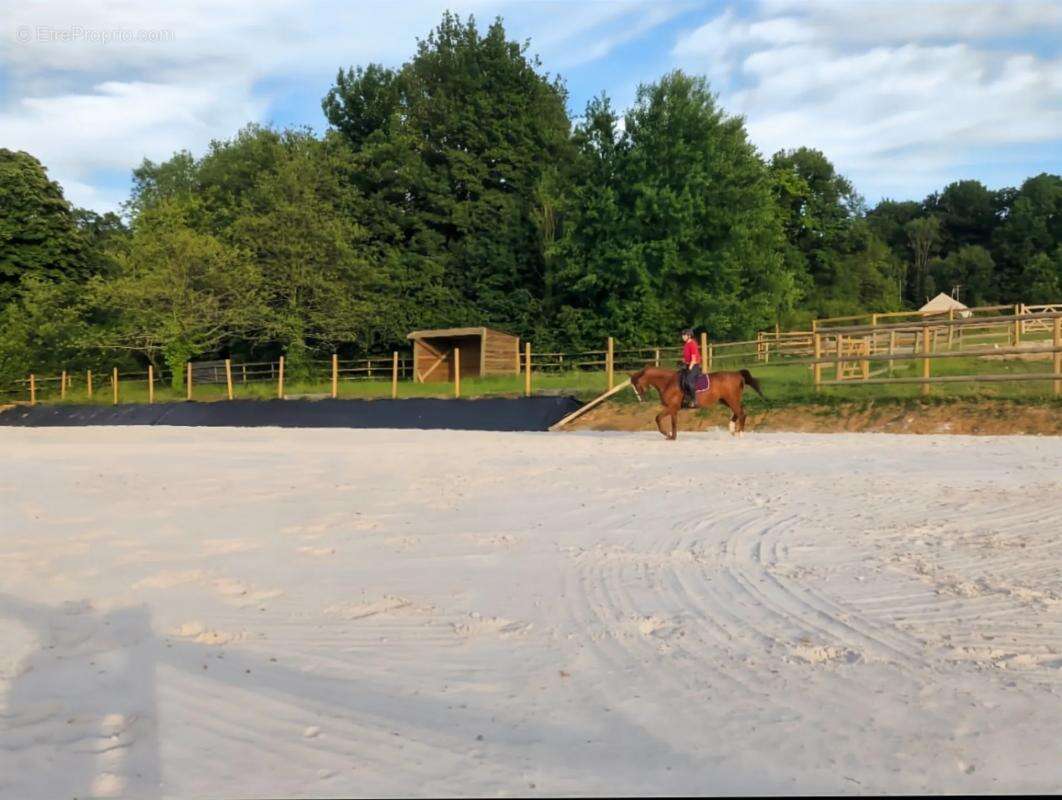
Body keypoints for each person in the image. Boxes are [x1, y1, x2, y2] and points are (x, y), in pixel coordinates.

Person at [680, 328, 702, 408]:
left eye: (684, 335)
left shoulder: (692, 344)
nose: (682, 336)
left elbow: (694, 359)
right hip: (688, 364)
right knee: (681, 379)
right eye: (682, 335)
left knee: (689, 381)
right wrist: (684, 362)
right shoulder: (686, 344)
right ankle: (686, 397)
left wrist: (689, 368)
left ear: (689, 336)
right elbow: (687, 356)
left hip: (694, 365)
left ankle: (694, 400)